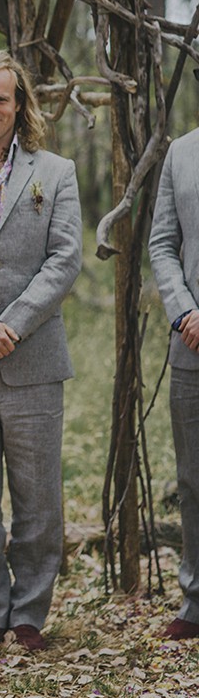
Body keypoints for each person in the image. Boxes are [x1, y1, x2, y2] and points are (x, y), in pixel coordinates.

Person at [0, 50, 82, 653]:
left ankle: (28, 613)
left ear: (20, 103)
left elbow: (65, 260)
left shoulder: (56, 173)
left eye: (3, 98)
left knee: (38, 497)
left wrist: (12, 325)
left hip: (34, 362)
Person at [148, 105, 199, 640]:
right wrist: (184, 310)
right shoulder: (181, 152)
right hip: (192, 343)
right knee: (192, 479)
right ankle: (196, 599)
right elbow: (163, 243)